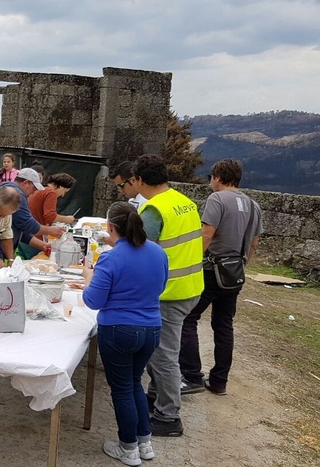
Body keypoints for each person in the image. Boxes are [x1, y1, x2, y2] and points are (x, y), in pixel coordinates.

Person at [83, 202, 168, 466]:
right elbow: (161, 287)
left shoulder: (110, 257)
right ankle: (144, 442)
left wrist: (88, 278)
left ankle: (128, 447)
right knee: (134, 383)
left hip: (118, 329)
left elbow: (93, 301)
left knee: (121, 389)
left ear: (110, 227)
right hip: (151, 327)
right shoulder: (158, 252)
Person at [133, 154, 204, 437]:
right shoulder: (184, 201)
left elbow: (140, 251)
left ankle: (169, 416)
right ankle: (156, 396)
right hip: (190, 286)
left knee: (163, 355)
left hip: (169, 292)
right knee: (161, 350)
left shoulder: (153, 209)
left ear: (139, 180)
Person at [179, 159, 263, 396]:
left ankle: (192, 375)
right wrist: (242, 265)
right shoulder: (253, 205)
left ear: (218, 177)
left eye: (211, 178)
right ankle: (219, 381)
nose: (210, 183)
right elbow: (254, 243)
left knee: (187, 318)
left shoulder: (216, 199)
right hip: (234, 273)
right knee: (224, 325)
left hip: (211, 269)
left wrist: (192, 262)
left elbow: (207, 235)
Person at [0, 168, 65, 277]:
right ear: (26, 183)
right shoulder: (17, 195)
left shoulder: (12, 191)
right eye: (34, 188)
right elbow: (27, 224)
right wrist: (50, 230)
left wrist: (42, 245)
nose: (34, 192)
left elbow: (22, 230)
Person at [21, 172, 77, 259]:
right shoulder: (51, 193)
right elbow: (50, 216)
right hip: (34, 238)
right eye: (64, 191)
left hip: (25, 236)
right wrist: (67, 219)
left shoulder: (41, 190)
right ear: (61, 187)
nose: (63, 195)